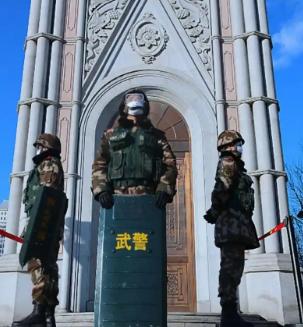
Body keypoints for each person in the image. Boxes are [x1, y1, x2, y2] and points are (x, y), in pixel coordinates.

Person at [204, 130, 260, 327]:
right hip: (230, 225)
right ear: (226, 147)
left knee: (234, 269)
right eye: (235, 144)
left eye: (239, 143)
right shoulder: (228, 162)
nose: (239, 147)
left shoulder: (235, 165)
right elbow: (222, 188)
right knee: (230, 269)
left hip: (236, 225)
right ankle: (228, 314)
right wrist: (214, 210)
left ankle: (231, 313)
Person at [91, 89, 177, 208]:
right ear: (124, 107)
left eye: (139, 99)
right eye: (131, 99)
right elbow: (100, 164)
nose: (135, 102)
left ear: (145, 106)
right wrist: (102, 190)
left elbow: (170, 165)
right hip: (117, 197)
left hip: (149, 196)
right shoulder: (110, 135)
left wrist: (164, 188)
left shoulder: (156, 136)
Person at [12, 134, 65, 327]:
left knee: (37, 263)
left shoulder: (48, 164)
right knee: (49, 267)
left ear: (48, 148)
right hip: (46, 223)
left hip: (43, 222)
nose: (38, 150)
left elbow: (46, 196)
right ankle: (47, 316)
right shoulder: (48, 164)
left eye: (40, 147)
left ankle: (38, 312)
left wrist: (34, 227)